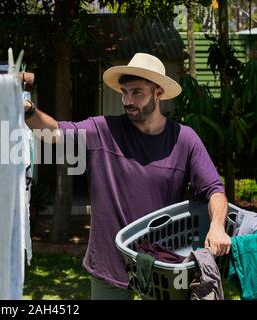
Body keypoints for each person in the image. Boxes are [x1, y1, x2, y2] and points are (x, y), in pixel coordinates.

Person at [23, 53, 231, 300]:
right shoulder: (103, 130)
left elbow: (214, 189)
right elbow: (55, 134)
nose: (127, 100)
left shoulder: (184, 139)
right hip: (108, 263)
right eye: (124, 92)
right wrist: (28, 111)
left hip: (161, 266)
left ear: (158, 93)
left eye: (137, 93)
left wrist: (217, 226)